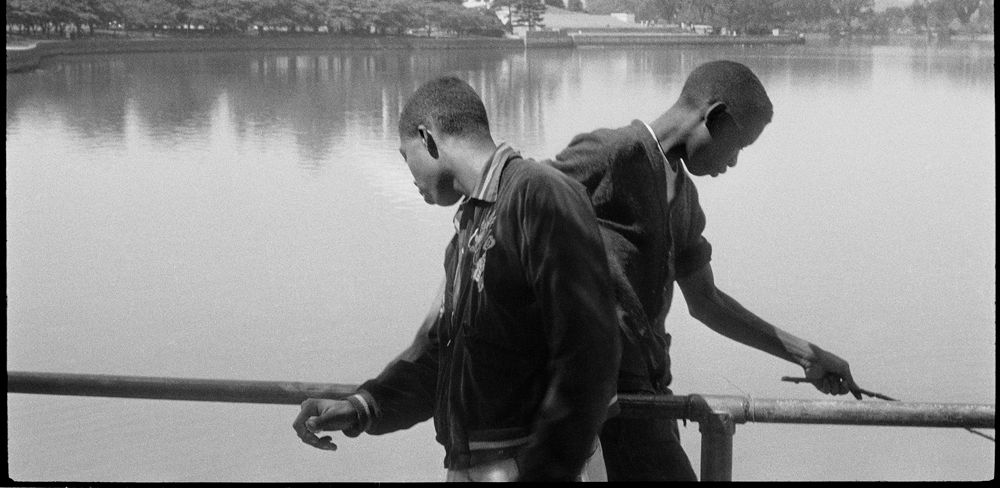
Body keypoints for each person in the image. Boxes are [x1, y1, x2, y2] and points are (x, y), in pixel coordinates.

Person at [293, 75, 621, 482]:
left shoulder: (538, 194)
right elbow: (438, 357)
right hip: (476, 466)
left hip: (529, 464)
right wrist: (363, 406)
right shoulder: (469, 229)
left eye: (404, 155)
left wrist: (546, 469)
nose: (411, 177)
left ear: (426, 137)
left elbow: (591, 354)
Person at [547, 59, 861, 482]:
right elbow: (514, 203)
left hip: (646, 402)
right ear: (712, 117)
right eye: (737, 146)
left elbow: (706, 303)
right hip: (593, 401)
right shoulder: (611, 154)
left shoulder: (685, 199)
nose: (732, 163)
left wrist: (805, 353)